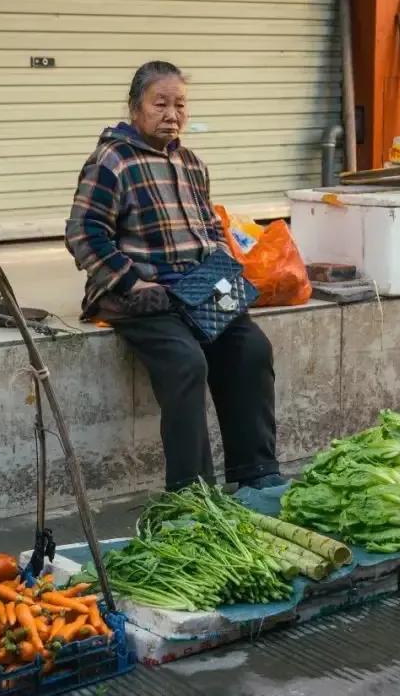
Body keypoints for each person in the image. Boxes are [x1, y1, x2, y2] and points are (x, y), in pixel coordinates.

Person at [65, 61, 284, 492]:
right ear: (135, 107)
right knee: (187, 362)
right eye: (159, 103)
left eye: (179, 104)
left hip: (198, 287)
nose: (171, 114)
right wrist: (132, 281)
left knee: (251, 348)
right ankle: (191, 492)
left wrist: (222, 268)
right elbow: (83, 233)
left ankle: (255, 474)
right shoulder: (111, 160)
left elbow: (210, 227)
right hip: (141, 293)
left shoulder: (191, 162)